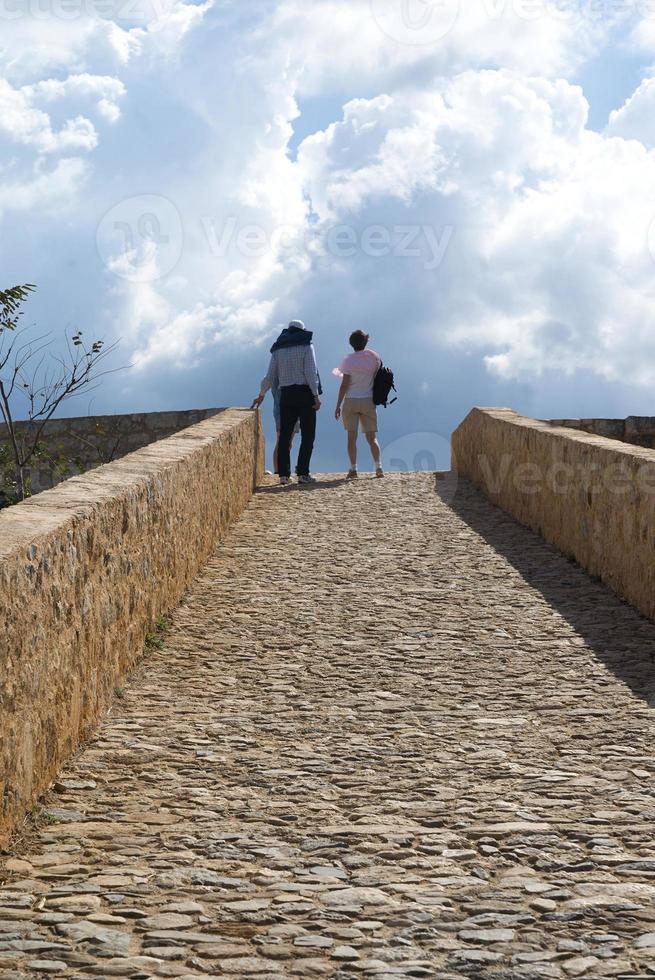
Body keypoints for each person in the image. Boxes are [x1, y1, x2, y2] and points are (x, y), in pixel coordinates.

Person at [251, 320, 321, 485]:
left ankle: (283, 475)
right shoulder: (306, 346)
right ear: (302, 331)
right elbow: (311, 372)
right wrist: (316, 396)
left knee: (284, 435)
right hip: (304, 393)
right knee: (308, 435)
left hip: (286, 394)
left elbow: (269, 376)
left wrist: (261, 395)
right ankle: (303, 473)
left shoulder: (278, 350)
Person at [334, 330, 384, 479]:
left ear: (351, 344)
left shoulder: (348, 360)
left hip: (351, 400)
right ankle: (378, 467)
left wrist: (338, 405)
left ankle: (353, 468)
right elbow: (377, 377)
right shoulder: (374, 357)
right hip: (368, 399)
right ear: (365, 342)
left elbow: (344, 384)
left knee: (351, 437)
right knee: (372, 437)